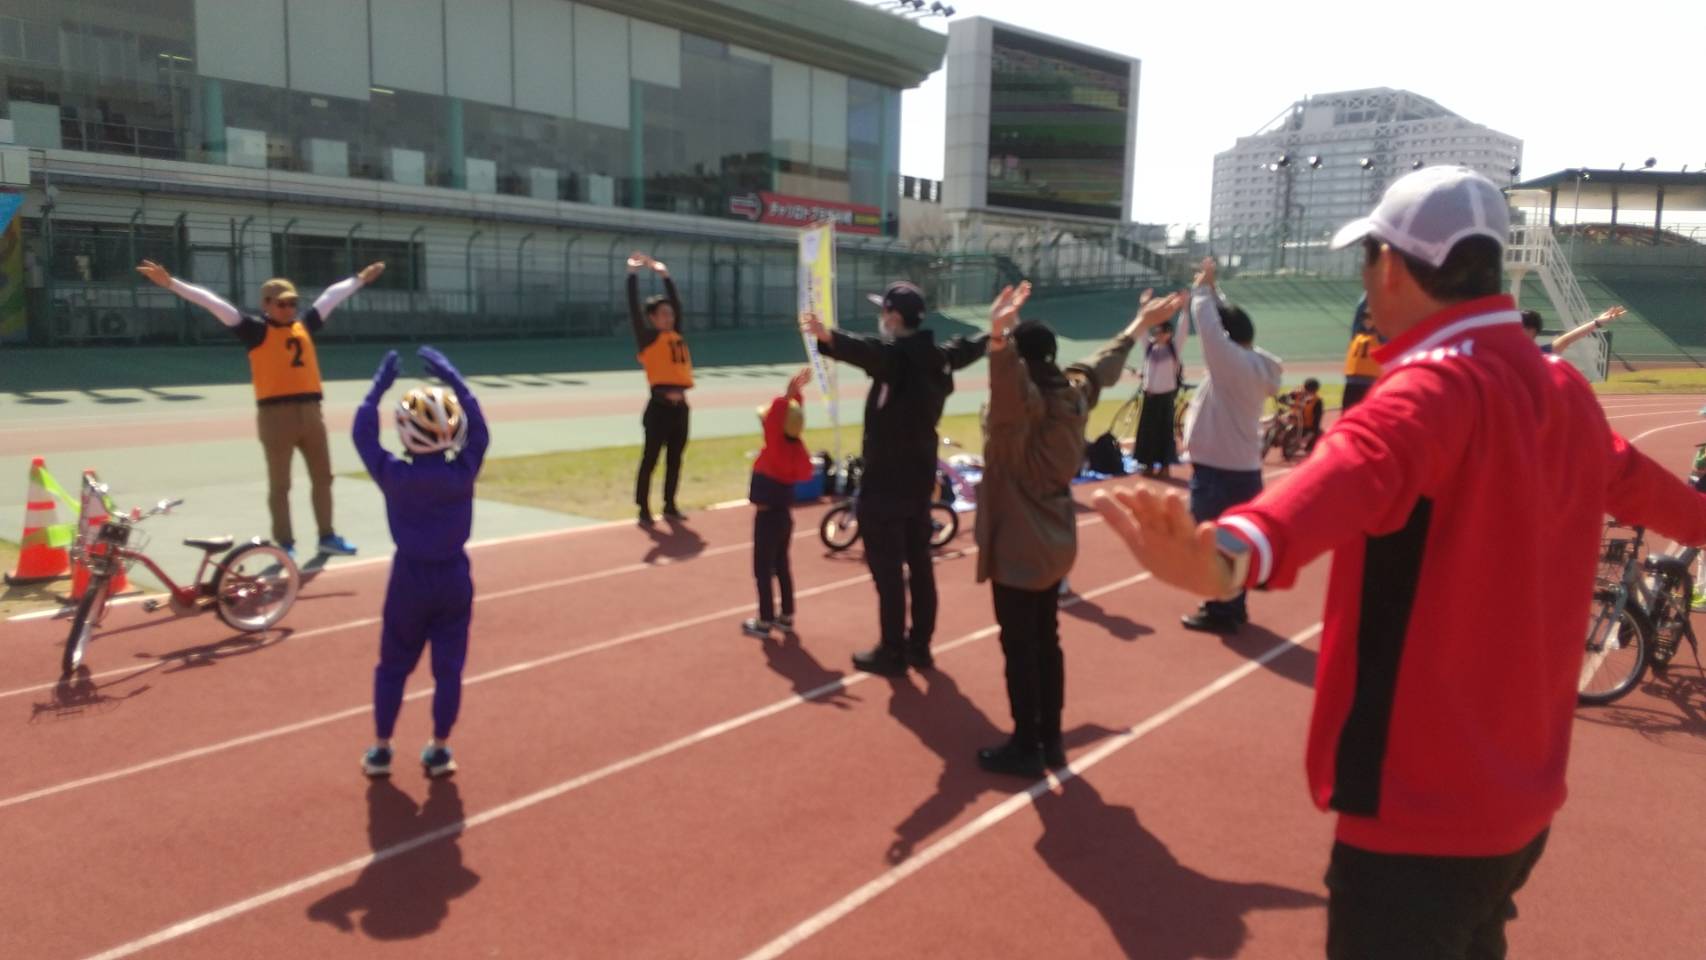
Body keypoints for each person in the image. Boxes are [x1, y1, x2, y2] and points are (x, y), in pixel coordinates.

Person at [1094, 166, 1706, 960]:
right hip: (1521, 801)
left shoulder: (1428, 389)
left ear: (1389, 267)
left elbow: (1348, 471)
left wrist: (1226, 558)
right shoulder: (1560, 389)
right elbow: (1657, 494)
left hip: (1419, 813)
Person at [974, 281, 1187, 777]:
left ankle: (1026, 743)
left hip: (1020, 545)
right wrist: (1139, 324)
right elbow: (1102, 363)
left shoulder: (1019, 410)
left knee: (1019, 648)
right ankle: (1050, 739)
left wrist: (998, 337)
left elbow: (1007, 385)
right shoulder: (1072, 393)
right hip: (1056, 540)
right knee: (1046, 642)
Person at [800, 280, 988, 677]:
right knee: (920, 566)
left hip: (885, 483)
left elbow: (868, 351)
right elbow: (965, 350)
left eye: (884, 311)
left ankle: (892, 651)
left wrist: (828, 336)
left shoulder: (895, 358)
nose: (880, 317)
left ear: (895, 317)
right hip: (919, 480)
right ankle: (920, 647)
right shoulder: (937, 357)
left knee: (888, 574)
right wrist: (995, 333)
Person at [138, 259, 383, 559]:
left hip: (311, 412)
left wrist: (360, 279)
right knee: (281, 484)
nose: (288, 309)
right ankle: (285, 544)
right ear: (266, 304)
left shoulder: (304, 325)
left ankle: (327, 536)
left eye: (292, 303)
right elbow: (211, 302)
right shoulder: (254, 330)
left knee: (323, 477)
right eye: (281, 304)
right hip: (275, 416)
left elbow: (331, 296)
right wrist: (171, 284)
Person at [352, 346, 490, 779]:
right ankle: (440, 749)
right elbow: (481, 433)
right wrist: (456, 381)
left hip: (408, 580)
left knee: (393, 666)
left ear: (404, 430)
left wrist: (376, 390)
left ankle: (381, 749)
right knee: (448, 670)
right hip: (453, 577)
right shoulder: (462, 472)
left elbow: (362, 436)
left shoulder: (395, 475)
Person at [1176, 257, 1283, 634]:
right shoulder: (1255, 363)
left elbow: (1209, 327)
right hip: (1241, 470)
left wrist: (1202, 290)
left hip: (1219, 475)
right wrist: (1214, 289)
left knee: (1212, 545)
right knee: (1233, 543)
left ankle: (1221, 610)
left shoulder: (1232, 364)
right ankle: (1233, 606)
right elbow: (1223, 326)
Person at [744, 368, 816, 638]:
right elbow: (790, 422)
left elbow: (777, 422)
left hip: (767, 519)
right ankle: (786, 615)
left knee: (762, 570)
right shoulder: (796, 448)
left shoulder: (775, 447)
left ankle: (765, 620)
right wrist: (795, 398)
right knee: (782, 566)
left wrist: (786, 397)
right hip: (784, 517)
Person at [628, 251, 693, 526]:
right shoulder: (648, 339)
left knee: (675, 459)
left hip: (681, 408)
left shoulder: (676, 334)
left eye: (670, 314)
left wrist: (665, 275)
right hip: (659, 408)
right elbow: (634, 310)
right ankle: (643, 508)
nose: (669, 317)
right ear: (652, 318)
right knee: (651, 459)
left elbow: (677, 305)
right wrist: (632, 275)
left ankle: (670, 504)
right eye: (663, 314)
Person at [1132, 287, 1189, 478]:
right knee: (1147, 432)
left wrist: (1185, 309)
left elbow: (1183, 331)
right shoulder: (1149, 348)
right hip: (1149, 396)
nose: (1156, 334)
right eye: (1155, 331)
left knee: (1164, 432)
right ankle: (1147, 464)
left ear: (1168, 334)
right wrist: (1143, 306)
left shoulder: (1174, 349)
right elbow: (1141, 328)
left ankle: (1164, 466)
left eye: (1160, 331)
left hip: (1165, 398)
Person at [1520, 305, 1626, 355]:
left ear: (1531, 330)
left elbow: (1568, 338)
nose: (1514, 330)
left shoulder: (1542, 353)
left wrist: (1597, 322)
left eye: (1519, 327)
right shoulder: (1511, 353)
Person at [1343, 297, 1382, 411]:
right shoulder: (1356, 335)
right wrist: (1367, 294)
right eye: (1365, 317)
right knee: (1347, 412)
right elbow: (1359, 311)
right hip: (1352, 381)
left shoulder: (1381, 337)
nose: (1367, 320)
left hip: (1369, 382)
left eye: (1371, 318)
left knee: (1366, 412)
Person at [1292, 378, 1324, 453]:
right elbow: (1317, 420)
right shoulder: (1317, 400)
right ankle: (1308, 447)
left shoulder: (1298, 394)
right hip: (1302, 426)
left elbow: (1286, 397)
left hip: (1298, 425)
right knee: (1321, 435)